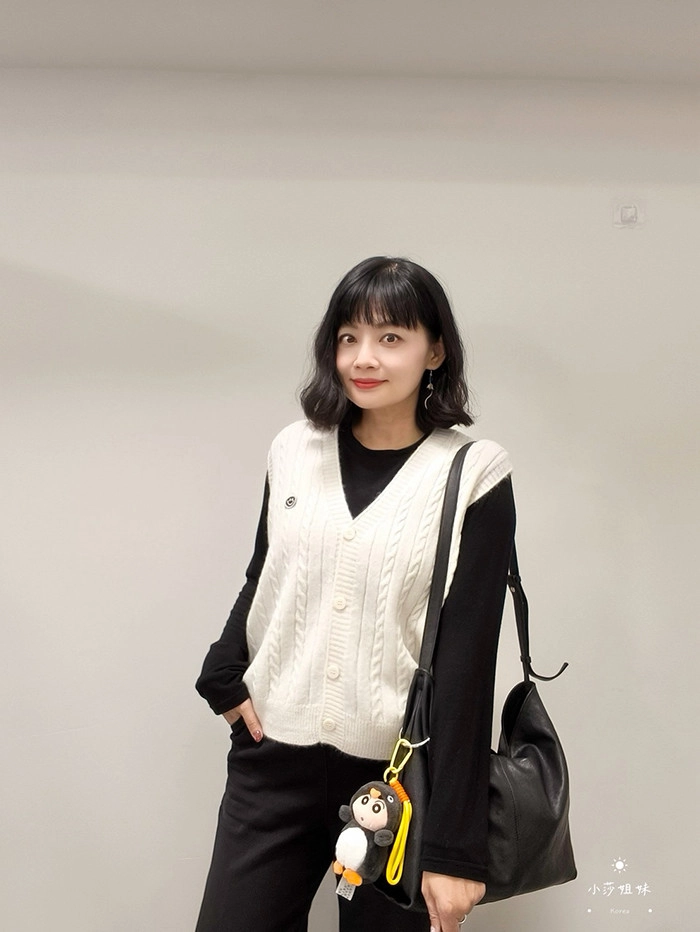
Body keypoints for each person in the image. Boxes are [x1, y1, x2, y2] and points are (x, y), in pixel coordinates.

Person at [194, 256, 515, 932]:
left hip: (396, 786)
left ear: (435, 351)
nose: (364, 357)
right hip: (270, 763)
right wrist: (224, 669)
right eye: (349, 337)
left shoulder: (473, 472)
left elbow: (467, 664)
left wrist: (455, 849)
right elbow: (266, 573)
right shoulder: (294, 449)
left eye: (391, 337)